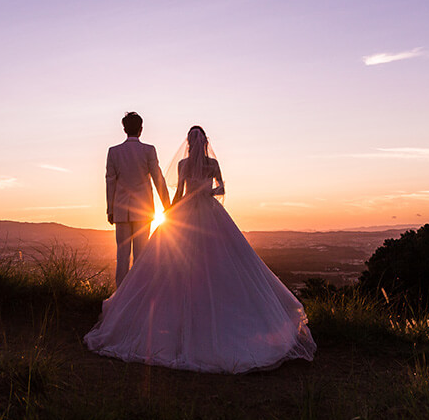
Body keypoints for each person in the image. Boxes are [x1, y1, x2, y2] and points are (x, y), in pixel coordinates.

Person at [85, 125, 316, 373]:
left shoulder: (183, 165)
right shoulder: (212, 165)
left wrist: (171, 213)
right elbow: (221, 189)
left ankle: (141, 309)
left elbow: (179, 194)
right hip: (209, 212)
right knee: (220, 262)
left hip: (183, 212)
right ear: (205, 142)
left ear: (189, 143)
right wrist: (206, 192)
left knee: (174, 264)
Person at [105, 112, 171, 287]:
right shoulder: (148, 150)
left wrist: (110, 209)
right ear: (141, 129)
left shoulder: (114, 152)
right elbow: (158, 178)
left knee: (122, 255)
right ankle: (137, 295)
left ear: (124, 129)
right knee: (141, 256)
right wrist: (167, 205)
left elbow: (110, 181)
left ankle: (120, 295)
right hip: (143, 210)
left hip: (120, 210)